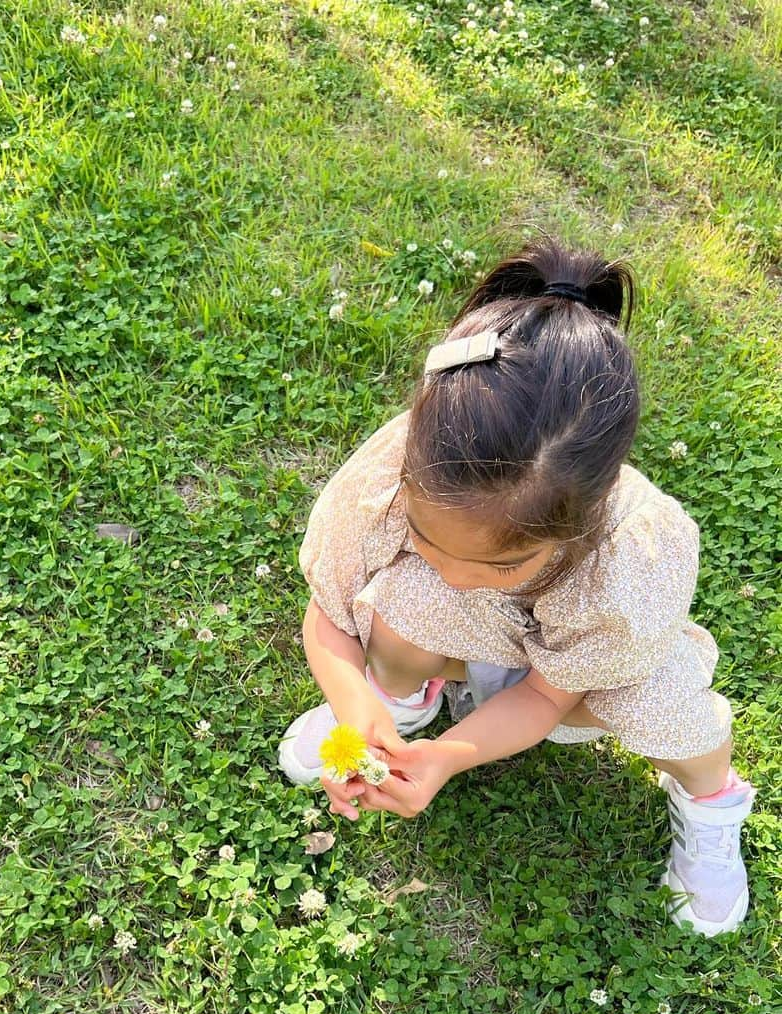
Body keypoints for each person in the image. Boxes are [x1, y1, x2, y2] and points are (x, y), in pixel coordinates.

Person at [278, 234, 756, 937]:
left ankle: (712, 801)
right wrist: (353, 706)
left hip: (581, 676)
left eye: (499, 566)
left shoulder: (629, 561)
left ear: (582, 523)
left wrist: (449, 758)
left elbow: (545, 696)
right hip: (476, 642)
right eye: (428, 540)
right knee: (404, 598)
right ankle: (398, 699)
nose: (453, 573)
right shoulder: (394, 472)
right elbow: (329, 618)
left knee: (669, 706)